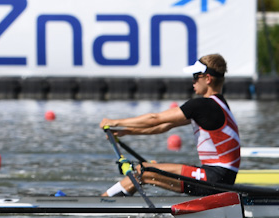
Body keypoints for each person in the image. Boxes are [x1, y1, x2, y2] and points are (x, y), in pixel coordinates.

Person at [100, 53, 240, 197]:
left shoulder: (202, 105)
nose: (193, 82)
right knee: (147, 170)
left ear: (208, 79)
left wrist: (114, 122)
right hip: (221, 177)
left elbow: (155, 118)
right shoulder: (220, 105)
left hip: (214, 178)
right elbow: (164, 126)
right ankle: (115, 204)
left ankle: (103, 203)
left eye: (195, 76)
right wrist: (127, 131)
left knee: (144, 170)